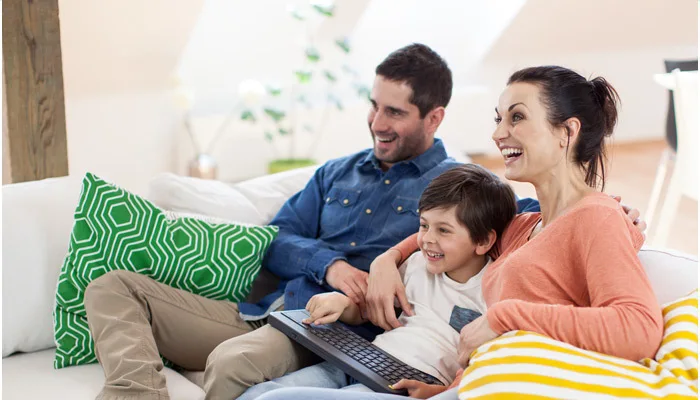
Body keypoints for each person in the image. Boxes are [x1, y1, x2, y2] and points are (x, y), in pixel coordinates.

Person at [84, 43, 543, 400]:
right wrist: (332, 266)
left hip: (334, 329)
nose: (376, 122)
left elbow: (527, 219)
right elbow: (277, 238)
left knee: (231, 362)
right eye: (374, 105)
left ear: (434, 118)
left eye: (395, 112)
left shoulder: (458, 189)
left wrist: (387, 260)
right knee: (113, 286)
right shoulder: (336, 172)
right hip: (269, 310)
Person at [243, 65, 664, 400]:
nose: (498, 134)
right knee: (260, 394)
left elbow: (638, 329)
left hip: (493, 390)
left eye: (517, 117)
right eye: (499, 119)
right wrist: (388, 258)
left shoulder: (596, 218)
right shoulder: (524, 226)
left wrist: (502, 317)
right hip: (457, 387)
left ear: (567, 132)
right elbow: (454, 230)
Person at [238, 164, 518, 400]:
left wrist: (442, 391)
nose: (427, 239)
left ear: (483, 241)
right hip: (366, 358)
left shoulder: (495, 290)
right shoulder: (416, 264)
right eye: (423, 225)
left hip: (411, 381)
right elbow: (367, 311)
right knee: (260, 393)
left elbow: (491, 365)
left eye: (443, 230)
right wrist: (342, 303)